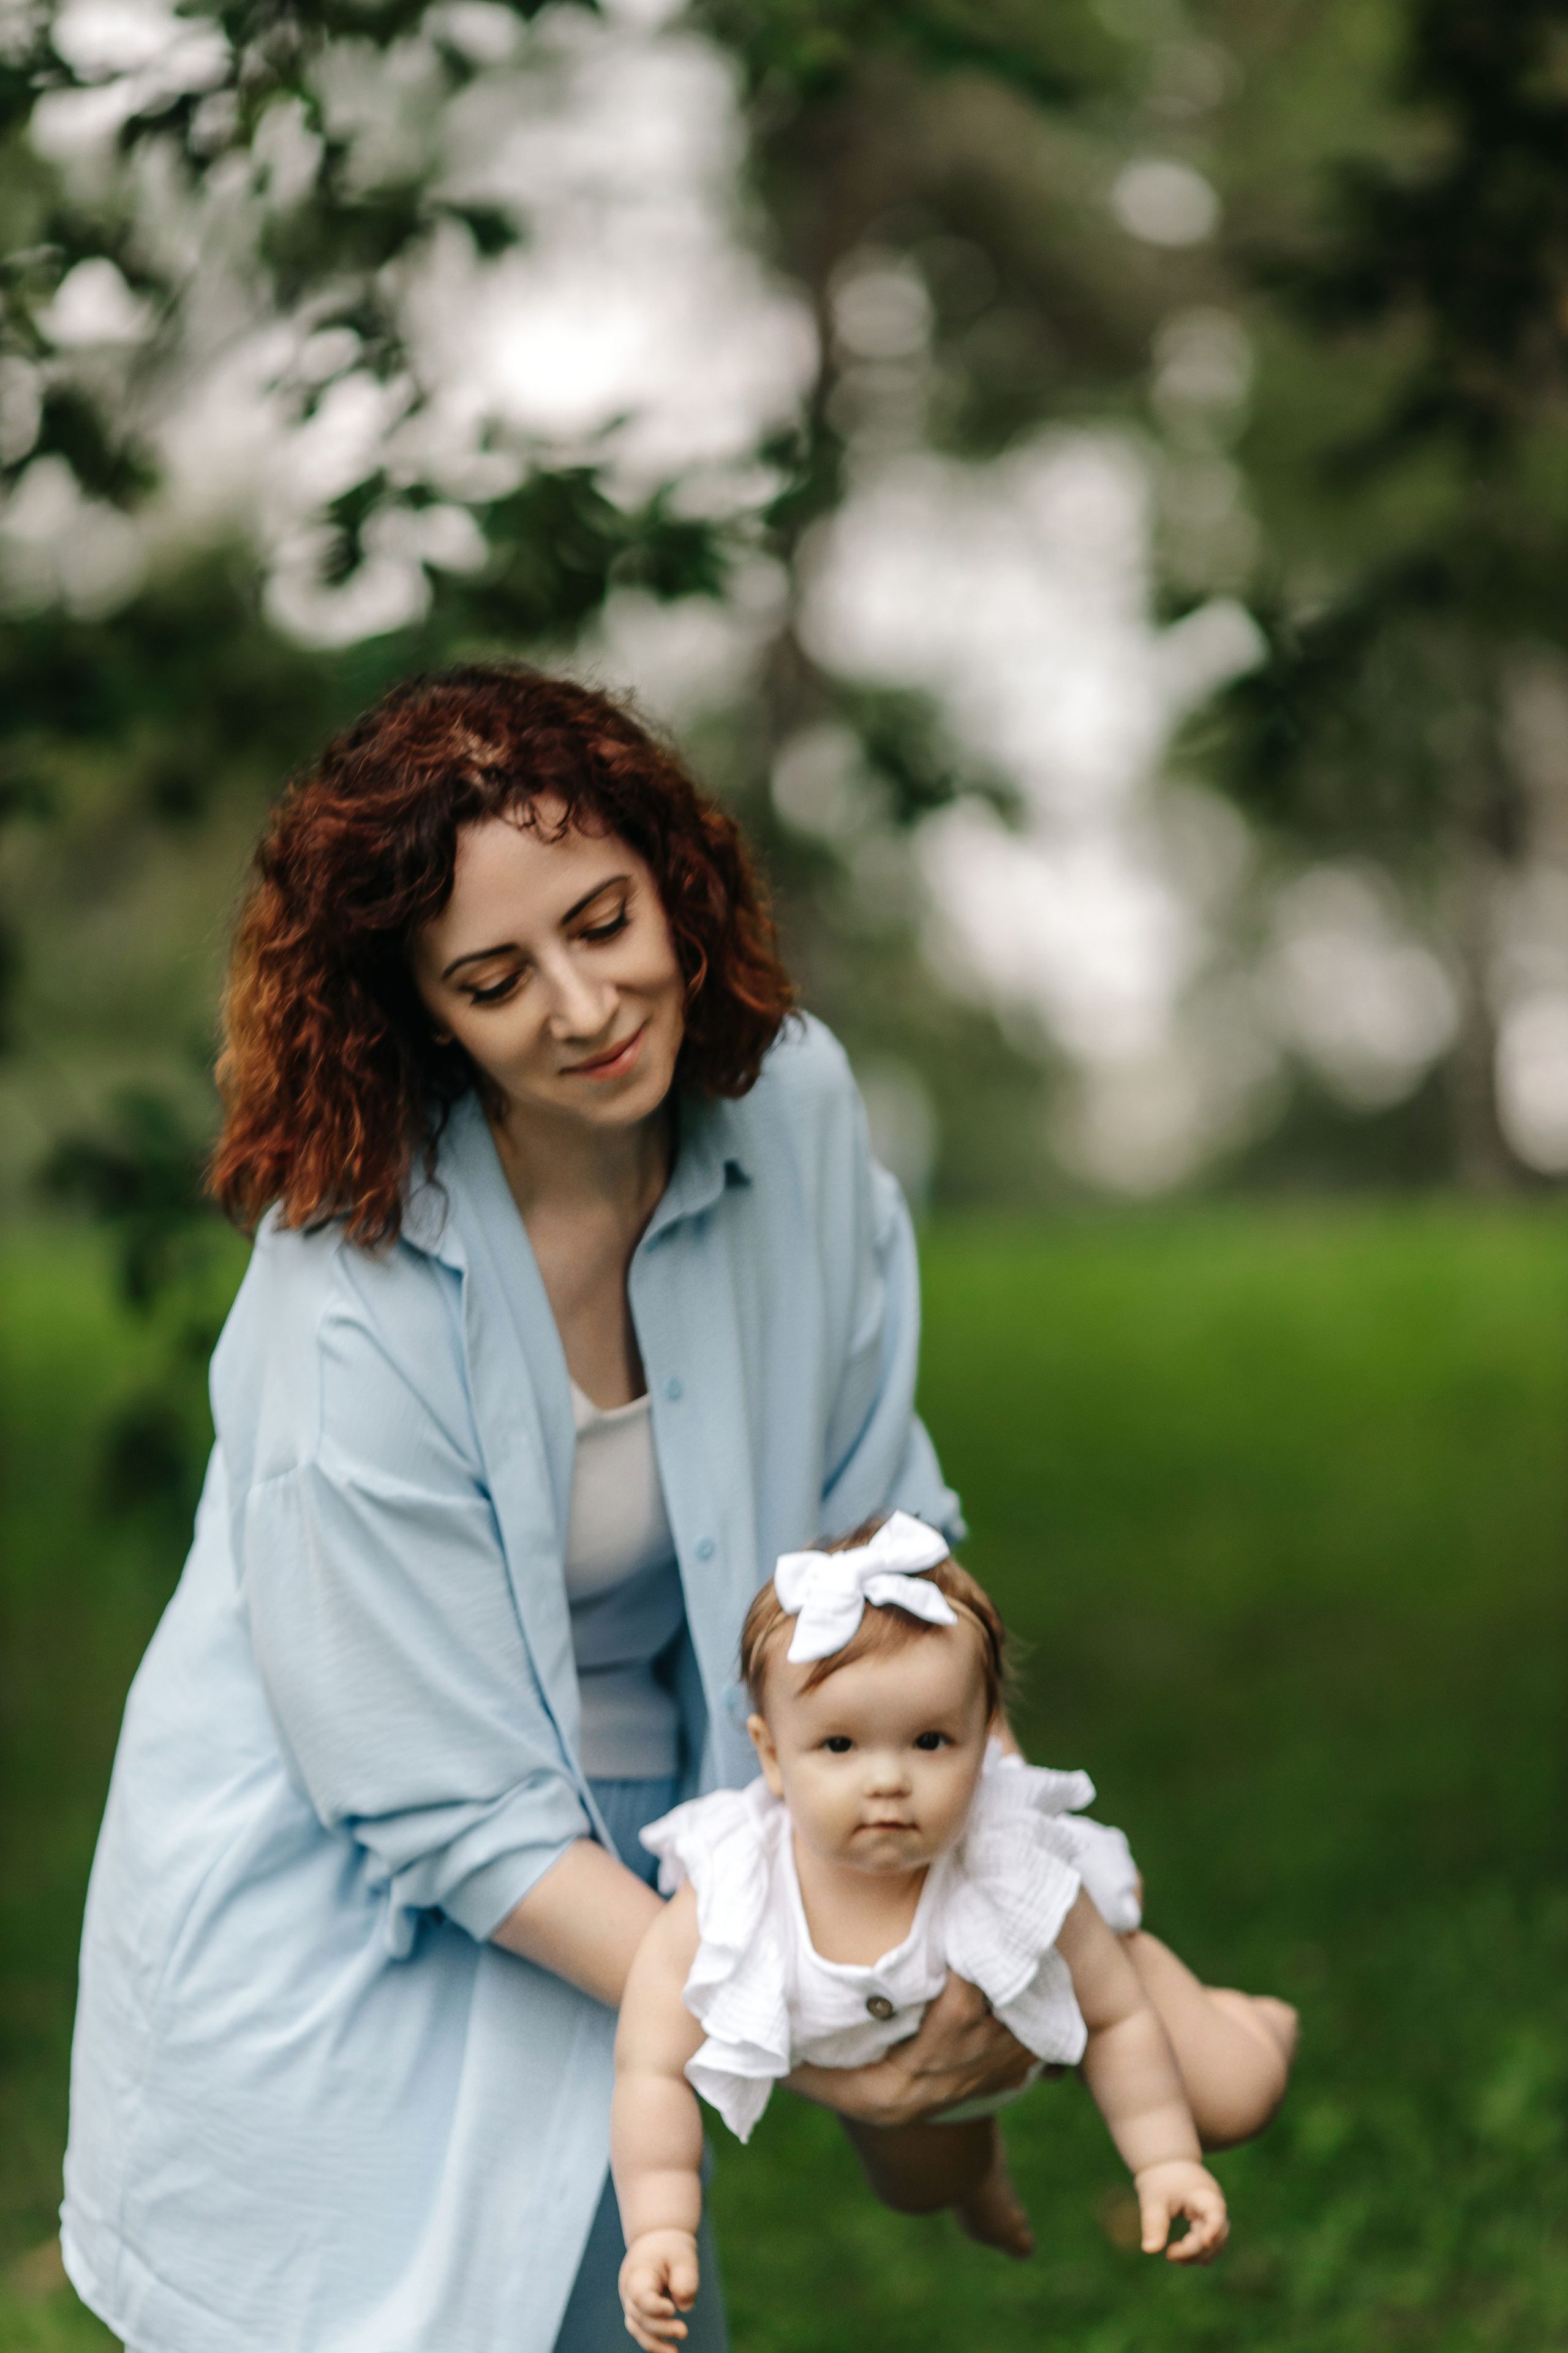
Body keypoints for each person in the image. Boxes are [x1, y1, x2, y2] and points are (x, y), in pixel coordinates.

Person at [60, 663, 1036, 2353]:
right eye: (498, 978)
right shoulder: (347, 1286)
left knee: (616, 2308)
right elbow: (439, 1801)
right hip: (346, 1904)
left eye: (606, 920)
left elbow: (880, 1540)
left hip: (645, 1857)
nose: (586, 1008)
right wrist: (816, 2017)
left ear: (676, 874)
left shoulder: (788, 1109)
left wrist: (988, 1912)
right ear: (418, 1008)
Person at [614, 1517, 1295, 2351]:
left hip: (1079, 1984)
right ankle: (979, 2179)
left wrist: (1164, 2163)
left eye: (932, 1740)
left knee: (1234, 2095)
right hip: (903, 2048)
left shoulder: (1012, 1863)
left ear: (986, 1742)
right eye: (839, 1744)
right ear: (772, 1756)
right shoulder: (732, 1891)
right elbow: (650, 2065)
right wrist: (660, 2227)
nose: (889, 1778)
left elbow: (1116, 2017)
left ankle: (1261, 2017)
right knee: (925, 2184)